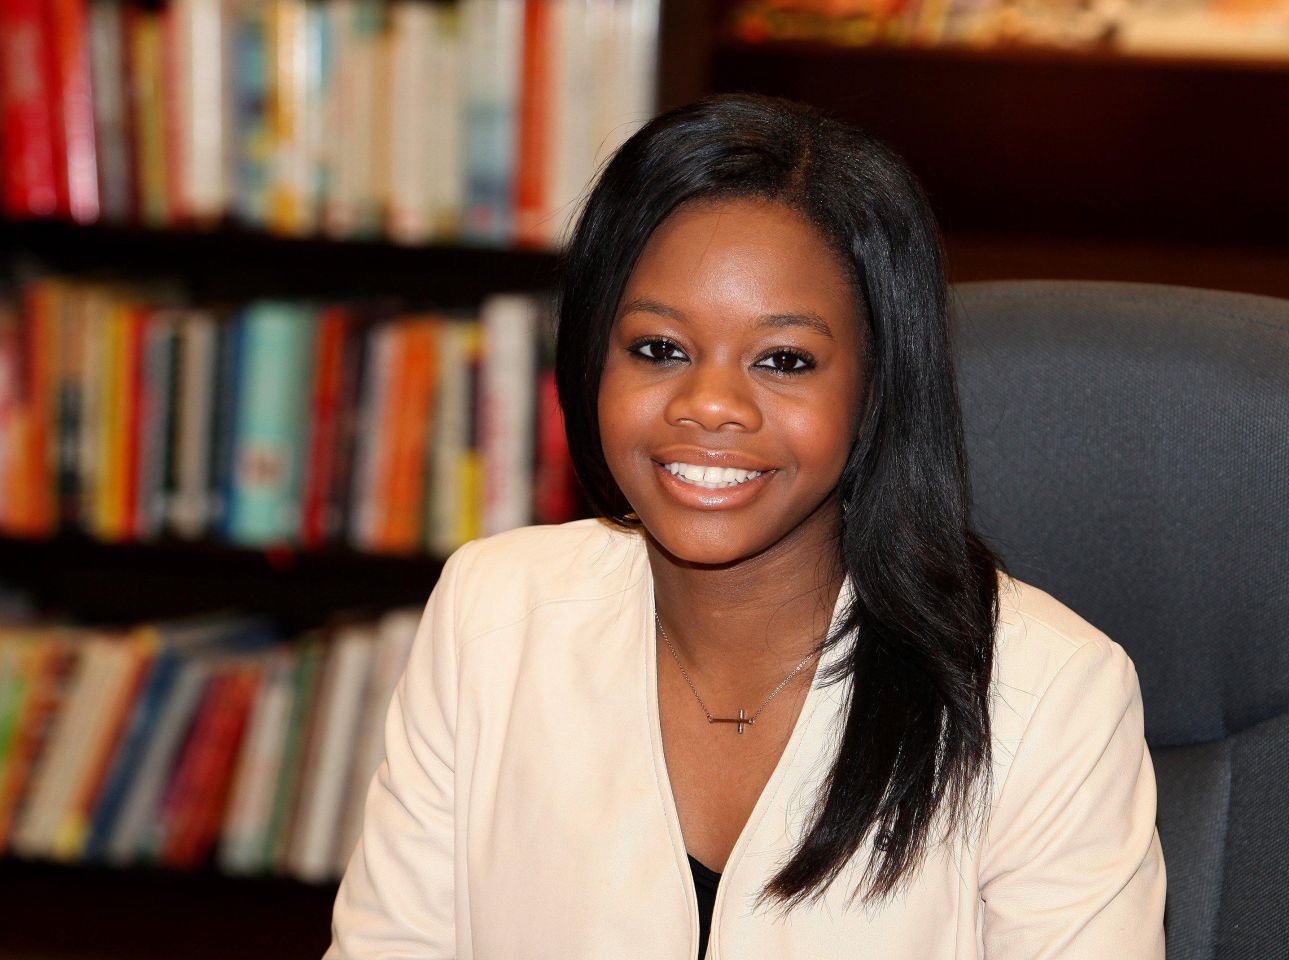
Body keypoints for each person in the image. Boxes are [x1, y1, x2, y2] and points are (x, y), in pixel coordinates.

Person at [324, 92, 1164, 959]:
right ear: (589, 358)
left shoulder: (1051, 695)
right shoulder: (490, 614)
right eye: (659, 349)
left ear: (875, 390)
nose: (711, 405)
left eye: (784, 360)